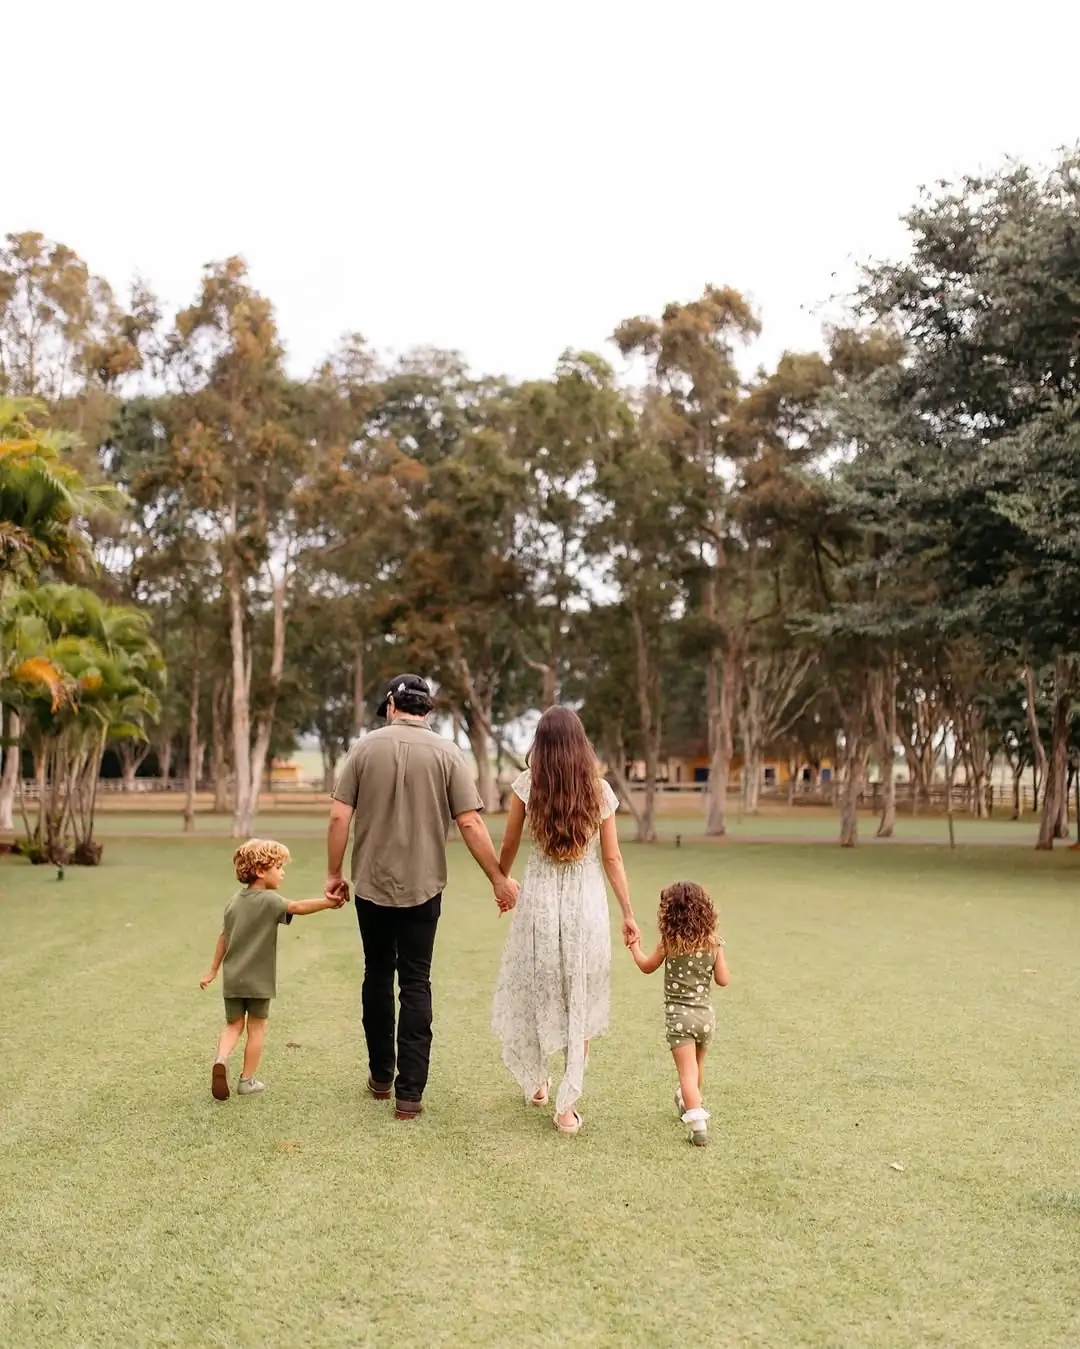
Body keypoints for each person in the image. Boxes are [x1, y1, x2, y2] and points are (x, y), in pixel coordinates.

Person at [326, 674, 518, 1120]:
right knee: (416, 982)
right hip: (424, 887)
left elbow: (338, 817)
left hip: (371, 885)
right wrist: (497, 878)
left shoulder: (363, 749)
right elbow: (470, 822)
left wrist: (334, 873)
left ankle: (380, 1077)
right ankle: (409, 1094)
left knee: (377, 975)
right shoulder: (449, 754)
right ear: (427, 710)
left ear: (392, 706)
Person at [492, 705, 639, 1135]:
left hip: (539, 900)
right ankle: (567, 1107)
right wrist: (628, 912)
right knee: (581, 998)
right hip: (586, 904)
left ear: (540, 743)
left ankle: (538, 1084)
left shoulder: (527, 786)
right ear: (580, 744)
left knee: (539, 989)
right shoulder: (599, 791)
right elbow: (612, 858)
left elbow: (509, 843)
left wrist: (501, 882)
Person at [200, 838, 345, 1101]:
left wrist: (212, 970)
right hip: (259, 981)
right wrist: (328, 902)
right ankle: (246, 1081)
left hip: (233, 979)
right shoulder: (270, 900)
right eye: (278, 867)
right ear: (260, 871)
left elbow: (223, 937)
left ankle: (221, 1059)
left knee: (233, 1025)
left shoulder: (233, 902)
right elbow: (298, 907)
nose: (282, 872)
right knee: (256, 1029)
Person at [628, 880, 730, 1147]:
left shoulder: (669, 943)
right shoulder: (714, 943)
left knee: (686, 1073)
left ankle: (697, 1123)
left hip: (679, 1019)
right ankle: (688, 1100)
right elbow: (723, 979)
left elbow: (646, 966)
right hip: (705, 1018)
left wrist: (634, 946)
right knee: (696, 1068)